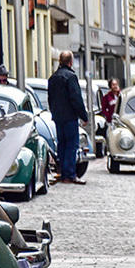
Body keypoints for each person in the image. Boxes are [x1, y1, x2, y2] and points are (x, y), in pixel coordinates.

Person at [47, 51, 88, 184]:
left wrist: (54, 112)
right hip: (70, 116)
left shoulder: (53, 78)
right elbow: (76, 99)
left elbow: (50, 99)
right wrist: (84, 116)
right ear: (70, 62)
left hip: (58, 117)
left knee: (62, 145)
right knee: (72, 145)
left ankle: (62, 172)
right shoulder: (71, 77)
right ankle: (69, 174)